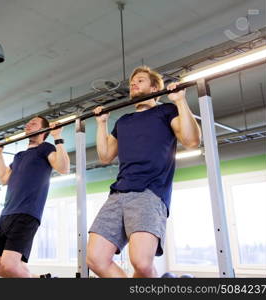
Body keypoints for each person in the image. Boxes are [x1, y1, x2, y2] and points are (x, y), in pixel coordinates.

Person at [86, 66, 201, 278]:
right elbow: (105, 156)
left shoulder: (165, 111)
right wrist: (101, 124)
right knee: (95, 258)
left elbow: (192, 140)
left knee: (141, 262)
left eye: (139, 80)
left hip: (149, 191)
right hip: (118, 194)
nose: (133, 84)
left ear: (155, 87)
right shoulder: (123, 121)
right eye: (132, 82)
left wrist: (179, 101)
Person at [0, 116, 70, 277]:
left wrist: (57, 137)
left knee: (10, 265)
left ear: (44, 130)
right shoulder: (19, 156)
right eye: (28, 123)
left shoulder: (45, 148)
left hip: (26, 214)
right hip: (5, 215)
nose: (28, 125)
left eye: (34, 123)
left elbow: (64, 168)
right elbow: (3, 179)